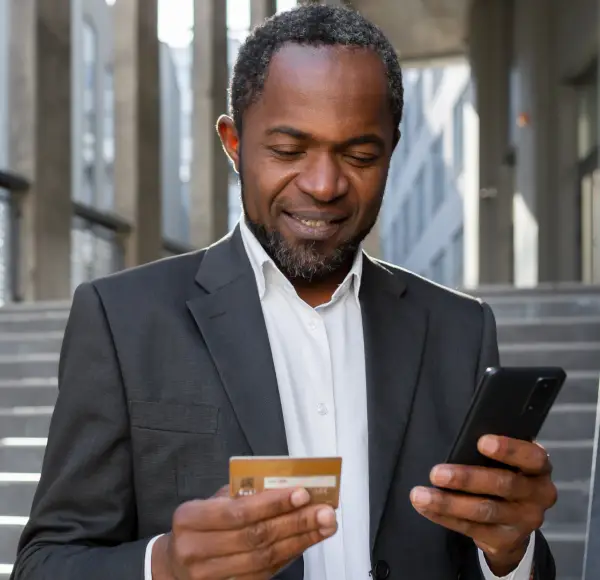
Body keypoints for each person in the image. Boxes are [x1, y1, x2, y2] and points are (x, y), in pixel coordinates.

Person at [12, 5, 557, 580]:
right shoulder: (123, 320)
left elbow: (494, 547)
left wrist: (510, 554)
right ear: (233, 142)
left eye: (360, 155)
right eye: (289, 151)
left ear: (392, 149)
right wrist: (164, 565)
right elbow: (45, 563)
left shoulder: (461, 331)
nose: (324, 186)